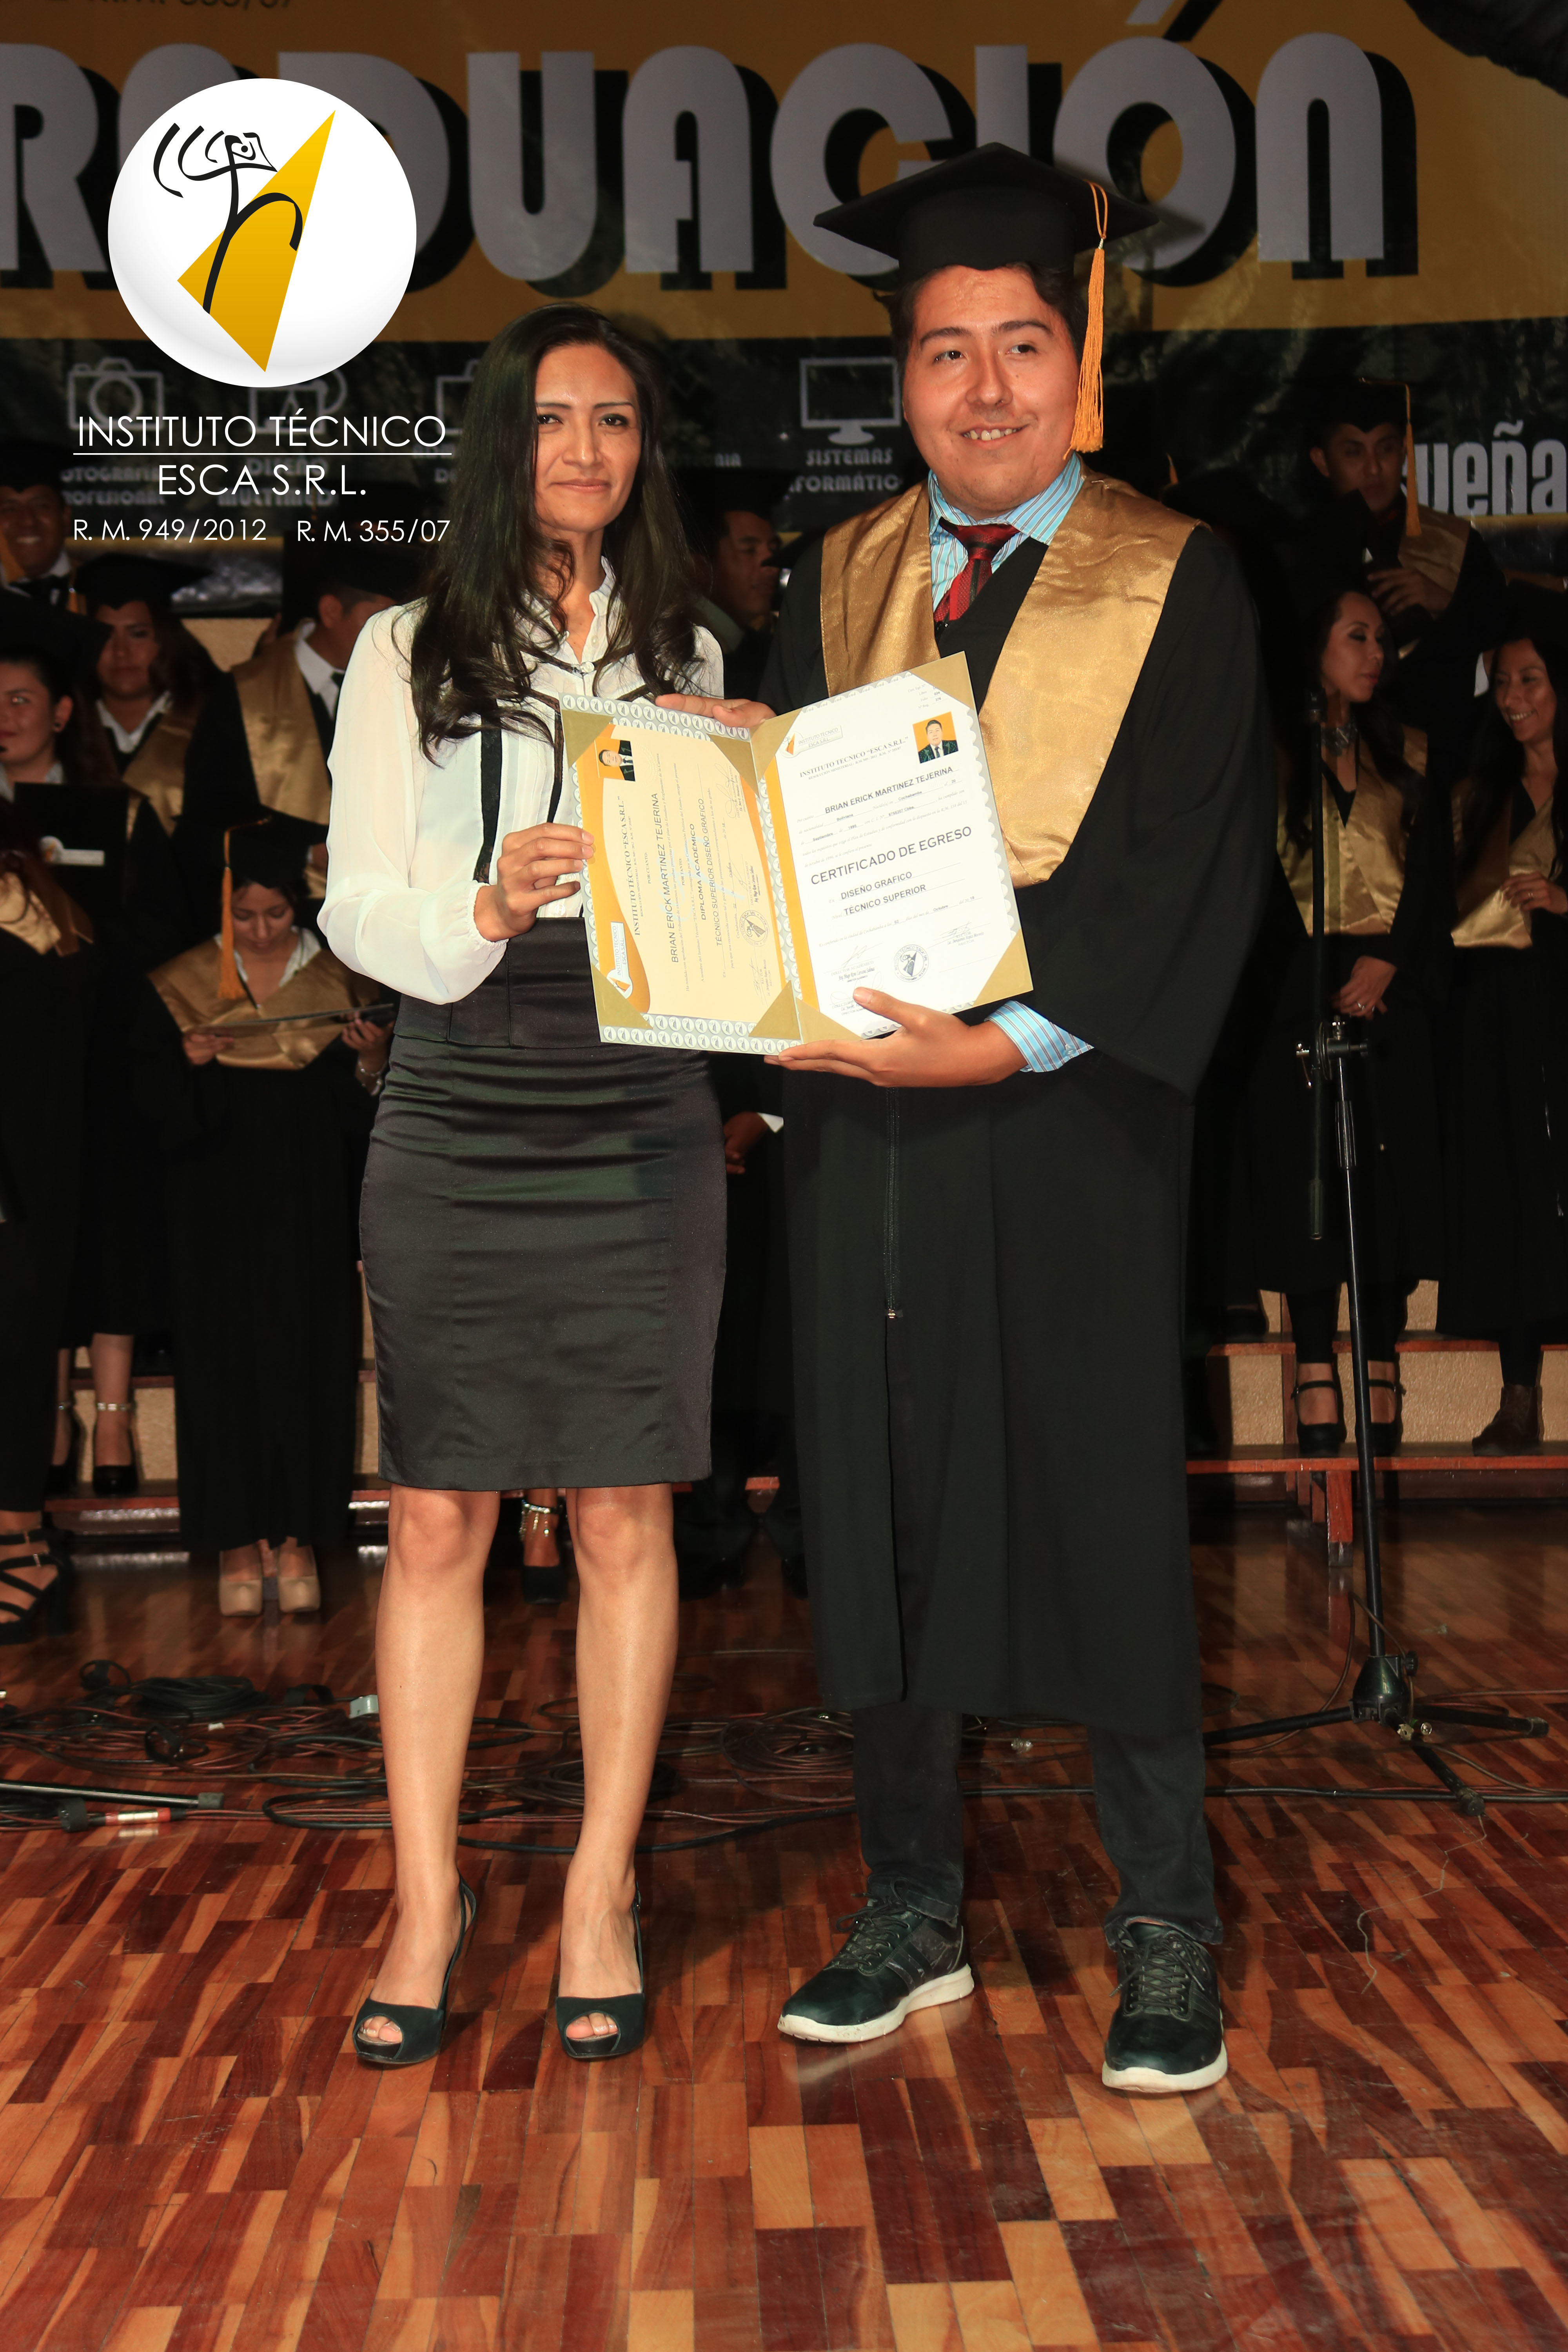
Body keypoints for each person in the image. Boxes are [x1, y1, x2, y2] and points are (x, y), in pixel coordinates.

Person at [663, 146, 1273, 2090]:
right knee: (882, 1501)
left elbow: (1187, 860)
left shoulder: (1173, 577)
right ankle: (908, 1898)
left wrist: (1007, 1042)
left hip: (1071, 1120)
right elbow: (795, 837)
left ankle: (1162, 1922)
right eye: (944, 351)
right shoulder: (841, 575)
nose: (984, 387)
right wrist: (721, 800)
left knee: (1098, 1498)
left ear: (1075, 363)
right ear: (900, 378)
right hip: (867, 1121)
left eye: (1021, 343)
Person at [321, 303, 724, 2067]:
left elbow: (729, 902)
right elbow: (351, 901)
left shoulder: (687, 645)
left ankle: (596, 1892)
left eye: (613, 421)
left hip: (641, 1097)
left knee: (627, 1508)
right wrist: (482, 903)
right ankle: (425, 1901)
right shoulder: (406, 646)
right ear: (503, 443)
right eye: (554, 419)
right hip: (460, 1089)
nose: (584, 449)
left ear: (643, 449)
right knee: (436, 1514)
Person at [138, 822, 387, 1612]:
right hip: (211, 1214)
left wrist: (369, 1058)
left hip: (307, 1207)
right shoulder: (183, 984)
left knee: (309, 1365)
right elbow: (150, 1115)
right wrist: (187, 1065)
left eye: (275, 914)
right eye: (243, 916)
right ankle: (236, 1542)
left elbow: (362, 1119)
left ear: (297, 906)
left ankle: (297, 1537)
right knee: (222, 1372)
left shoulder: (340, 983)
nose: (259, 930)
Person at [1245, 566, 1450, 1452]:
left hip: (1389, 987)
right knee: (1310, 1176)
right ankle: (1313, 1358)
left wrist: (1391, 960)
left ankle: (1380, 1350)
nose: (1375, 653)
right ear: (1316, 650)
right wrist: (1303, 978)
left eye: (1381, 639)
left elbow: (1433, 878)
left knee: (1382, 1174)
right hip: (1299, 984)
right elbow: (1250, 883)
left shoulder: (1411, 752)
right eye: (1356, 637)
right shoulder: (1269, 754)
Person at [0, 597, 180, 1495]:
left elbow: (164, 933)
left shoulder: (117, 815)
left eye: (21, 701)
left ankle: (108, 1417)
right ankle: (40, 1421)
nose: (4, 718)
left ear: (63, 711)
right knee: (26, 1257)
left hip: (104, 1056)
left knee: (107, 1230)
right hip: (15, 1073)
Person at [1439, 586, 1568, 1449]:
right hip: (1499, 1024)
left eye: (1531, 679)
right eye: (1503, 682)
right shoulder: (1476, 797)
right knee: (1511, 1200)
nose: (1513, 698)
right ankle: (1517, 1395)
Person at [181, 532, 422, 929]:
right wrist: (306, 855)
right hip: (280, 914)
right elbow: (206, 823)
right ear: (331, 611)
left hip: (391, 913)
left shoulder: (416, 690)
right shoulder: (244, 694)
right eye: (381, 620)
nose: (397, 635)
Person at [1300, 378, 1508, 783]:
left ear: (1405, 452)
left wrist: (1444, 602)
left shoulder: (1453, 544)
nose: (1374, 468)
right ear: (1322, 461)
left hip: (1445, 762)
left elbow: (1505, 641)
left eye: (1387, 449)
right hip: (1330, 769)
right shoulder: (1300, 553)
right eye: (1353, 452)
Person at [0, 798, 96, 1640]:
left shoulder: (37, 931)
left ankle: (22, 1547)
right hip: (38, 1181)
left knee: (14, 1362)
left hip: (24, 1185)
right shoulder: (48, 923)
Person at [78, 554, 214, 837]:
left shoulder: (211, 722)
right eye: (104, 636)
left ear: (165, 639)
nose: (121, 652)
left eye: (138, 634)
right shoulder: (66, 726)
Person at [680, 470, 785, 700]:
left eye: (773, 549)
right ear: (699, 566)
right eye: (749, 550)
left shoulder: (759, 646)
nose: (771, 565)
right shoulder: (683, 649)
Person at [0, 441, 75, 609]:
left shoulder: (101, 588)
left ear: (65, 518)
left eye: (41, 506)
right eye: (10, 509)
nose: (28, 521)